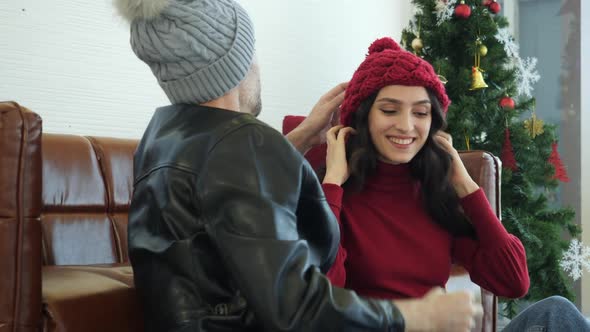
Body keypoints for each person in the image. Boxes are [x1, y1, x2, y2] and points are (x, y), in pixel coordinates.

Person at [114, 0, 485, 331]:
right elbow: (293, 307)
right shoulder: (245, 142)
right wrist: (417, 318)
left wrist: (304, 135)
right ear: (234, 65)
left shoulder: (162, 139)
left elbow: (229, 191)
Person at [321, 36, 590, 331]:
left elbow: (513, 281)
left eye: (420, 112)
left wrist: (464, 184)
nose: (406, 125)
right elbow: (321, 301)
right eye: (389, 110)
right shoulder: (333, 197)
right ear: (362, 116)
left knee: (556, 313)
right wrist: (332, 184)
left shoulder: (435, 194)